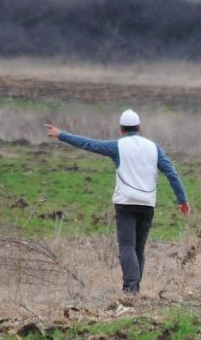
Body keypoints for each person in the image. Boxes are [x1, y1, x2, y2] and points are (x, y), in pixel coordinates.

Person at [45, 109, 190, 295]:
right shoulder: (154, 148)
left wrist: (61, 135)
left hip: (125, 204)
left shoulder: (117, 146)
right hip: (147, 204)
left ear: (121, 129)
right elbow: (172, 172)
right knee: (138, 248)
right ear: (140, 128)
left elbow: (89, 144)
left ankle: (130, 289)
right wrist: (182, 200)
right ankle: (134, 288)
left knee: (127, 247)